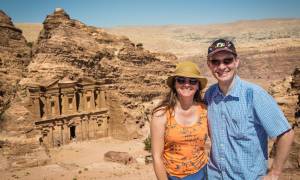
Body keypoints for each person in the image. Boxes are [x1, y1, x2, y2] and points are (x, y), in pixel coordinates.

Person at [204, 39, 295, 180]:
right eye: (215, 62)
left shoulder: (254, 95)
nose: (221, 67)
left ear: (236, 62)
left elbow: (286, 134)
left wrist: (274, 173)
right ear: (209, 65)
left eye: (227, 61)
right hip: (215, 176)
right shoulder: (210, 94)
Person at [151, 61, 209, 180]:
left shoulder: (205, 110)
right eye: (181, 80)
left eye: (192, 81)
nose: (187, 84)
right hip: (173, 176)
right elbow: (157, 157)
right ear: (174, 84)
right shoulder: (161, 114)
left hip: (202, 173)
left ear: (198, 86)